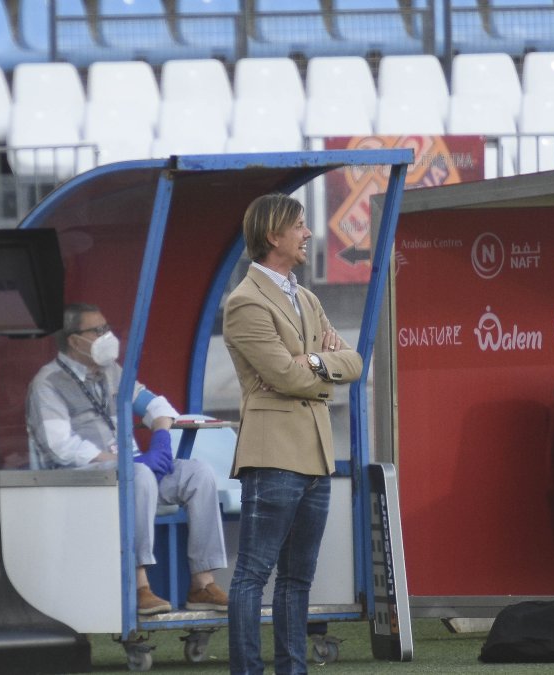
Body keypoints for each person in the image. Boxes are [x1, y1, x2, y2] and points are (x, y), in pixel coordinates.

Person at [223, 194, 363, 674]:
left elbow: (355, 362)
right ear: (272, 236)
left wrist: (319, 361)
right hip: (273, 453)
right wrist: (322, 368)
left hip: (315, 455)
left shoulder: (307, 297)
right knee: (253, 574)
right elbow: (286, 377)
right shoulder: (243, 302)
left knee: (298, 578)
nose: (308, 234)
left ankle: (292, 669)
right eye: (299, 226)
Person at [26, 303, 228, 615]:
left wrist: (161, 437)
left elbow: (158, 406)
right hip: (84, 480)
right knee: (140, 474)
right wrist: (124, 462)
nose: (107, 336)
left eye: (106, 328)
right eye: (97, 330)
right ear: (73, 340)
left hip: (130, 473)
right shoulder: (47, 382)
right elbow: (60, 447)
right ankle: (139, 585)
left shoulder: (111, 372)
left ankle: (202, 583)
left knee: (198, 473)